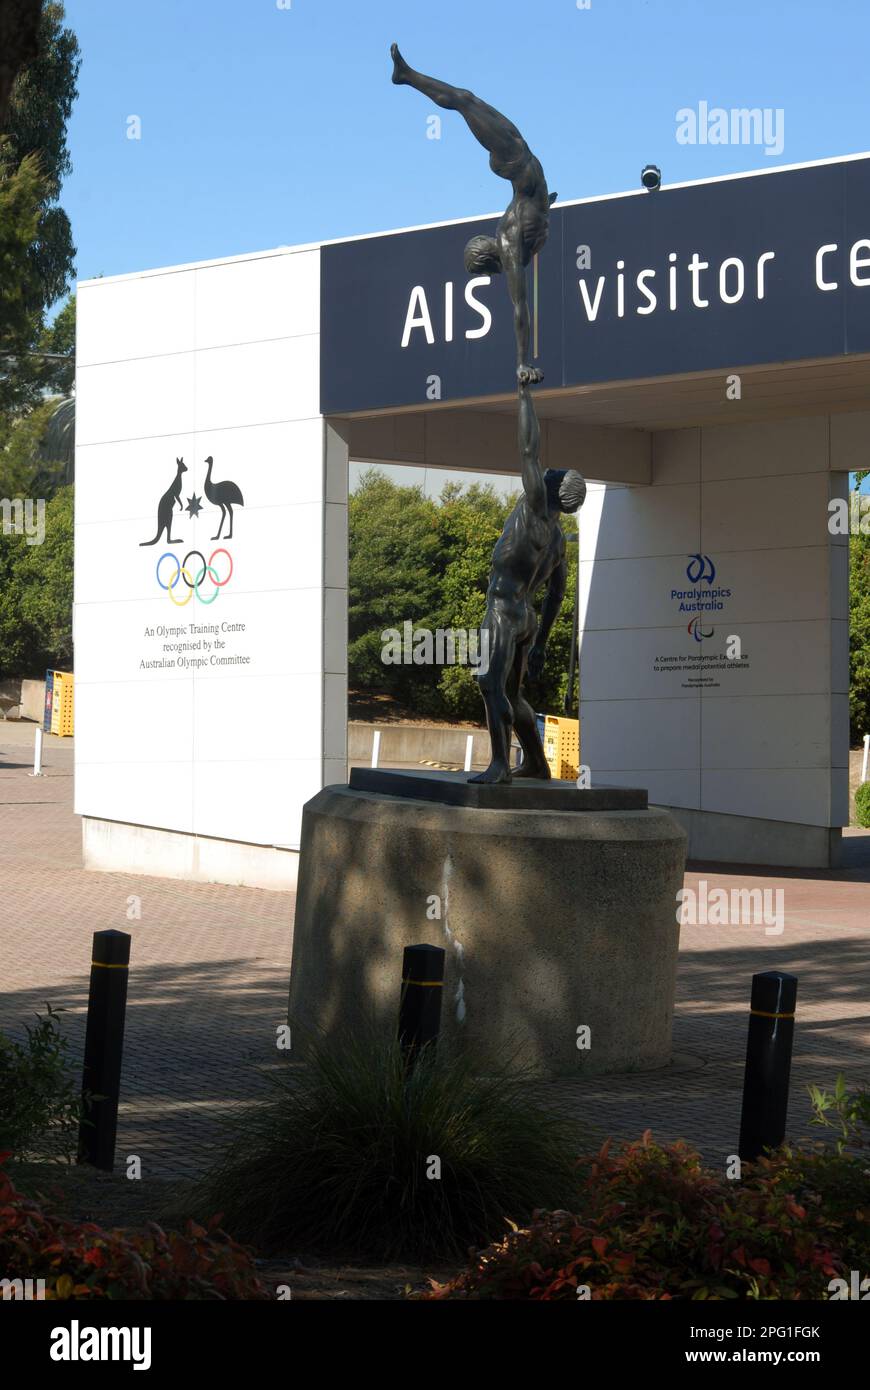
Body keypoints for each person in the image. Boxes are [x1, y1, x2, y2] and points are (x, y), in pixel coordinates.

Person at [391, 43, 556, 385]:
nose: (485, 234)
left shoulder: (515, 241)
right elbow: (519, 310)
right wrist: (522, 363)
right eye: (481, 240)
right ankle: (406, 76)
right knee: (465, 100)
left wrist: (542, 205)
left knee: (467, 100)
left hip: (519, 165)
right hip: (516, 161)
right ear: (485, 252)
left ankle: (407, 76)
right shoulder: (511, 247)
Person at [470, 381, 586, 784]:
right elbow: (556, 595)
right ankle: (537, 762)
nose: (545, 470)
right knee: (513, 693)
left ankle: (500, 765)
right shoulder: (557, 542)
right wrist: (539, 644)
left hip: (503, 612)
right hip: (528, 620)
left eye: (550, 475)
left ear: (551, 490)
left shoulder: (537, 508)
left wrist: (523, 393)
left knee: (489, 683)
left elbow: (528, 448)